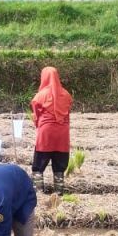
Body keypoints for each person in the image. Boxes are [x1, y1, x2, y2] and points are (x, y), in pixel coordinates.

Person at [30, 67, 73, 195]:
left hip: (46, 133)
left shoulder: (41, 95)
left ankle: (38, 192)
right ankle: (59, 192)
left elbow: (36, 115)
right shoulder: (66, 95)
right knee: (59, 164)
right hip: (62, 134)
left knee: (39, 164)